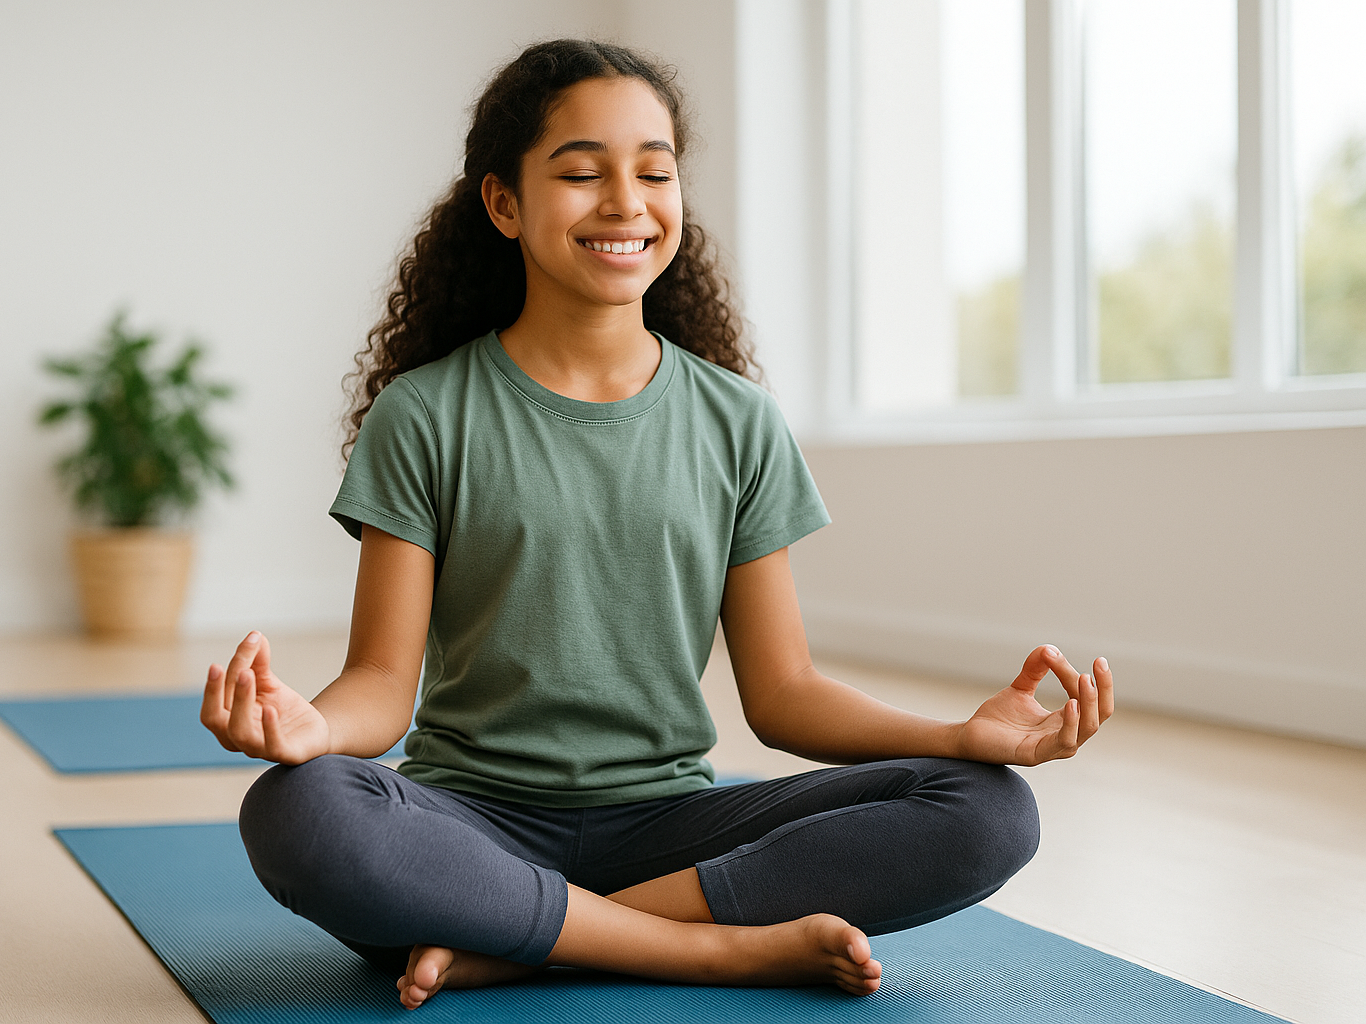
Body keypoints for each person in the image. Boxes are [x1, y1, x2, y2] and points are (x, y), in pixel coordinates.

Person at [200, 38, 1113, 1011]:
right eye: (583, 172)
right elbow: (383, 685)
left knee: (987, 811)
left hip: (674, 826)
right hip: (469, 821)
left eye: (655, 171)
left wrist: (958, 736)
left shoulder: (738, 423)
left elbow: (784, 692)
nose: (627, 202)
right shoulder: (425, 415)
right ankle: (707, 948)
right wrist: (311, 727)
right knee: (299, 810)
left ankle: (524, 936)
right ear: (503, 203)